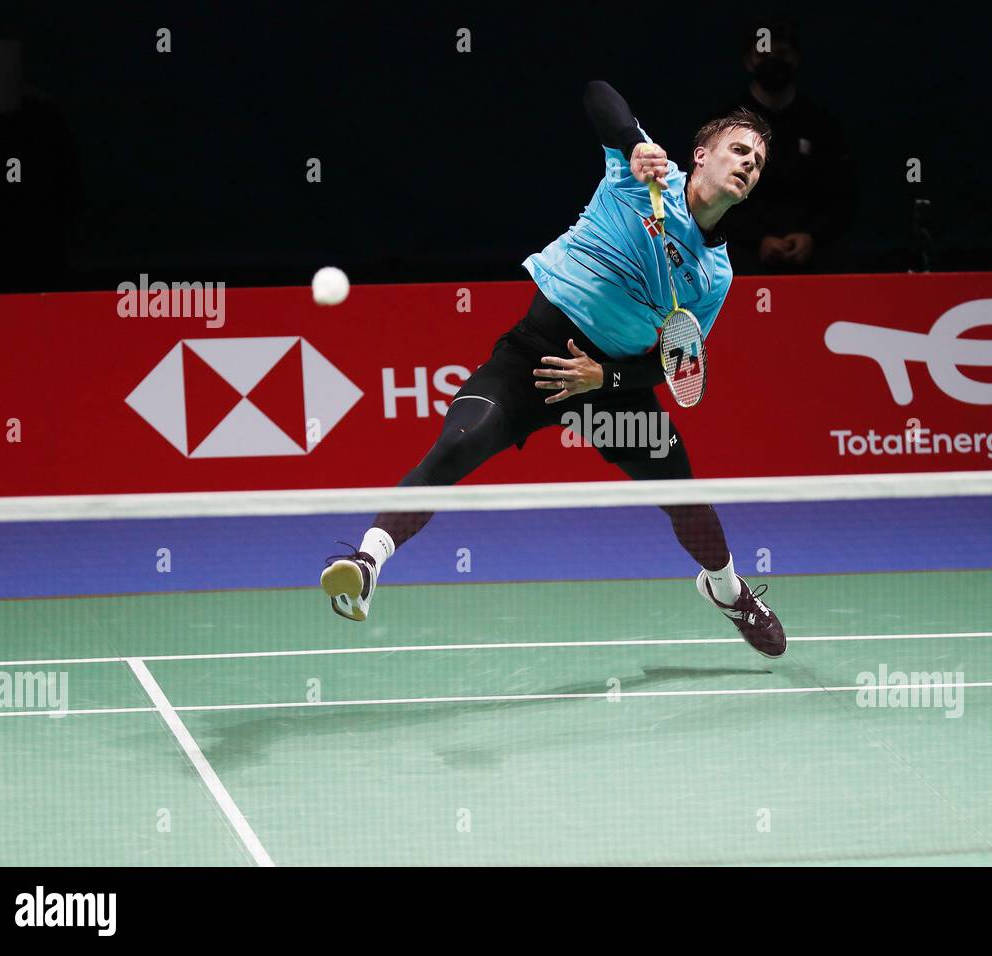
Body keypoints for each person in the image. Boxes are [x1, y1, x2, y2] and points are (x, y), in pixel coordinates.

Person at [320, 81, 786, 658]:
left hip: (607, 389)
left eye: (759, 162)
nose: (750, 164)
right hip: (532, 361)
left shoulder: (714, 276)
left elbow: (672, 366)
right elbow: (598, 94)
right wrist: (630, 143)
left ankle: (727, 589)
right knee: (456, 446)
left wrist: (604, 380)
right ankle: (366, 563)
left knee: (684, 498)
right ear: (702, 155)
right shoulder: (642, 178)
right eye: (740, 150)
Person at [716, 18, 854, 275]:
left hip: (814, 257)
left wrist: (811, 236)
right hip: (743, 257)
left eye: (782, 53)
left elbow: (841, 196)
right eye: (764, 53)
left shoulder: (821, 125)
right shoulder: (725, 126)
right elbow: (712, 194)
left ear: (796, 59)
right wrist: (758, 240)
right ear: (748, 61)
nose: (773, 61)